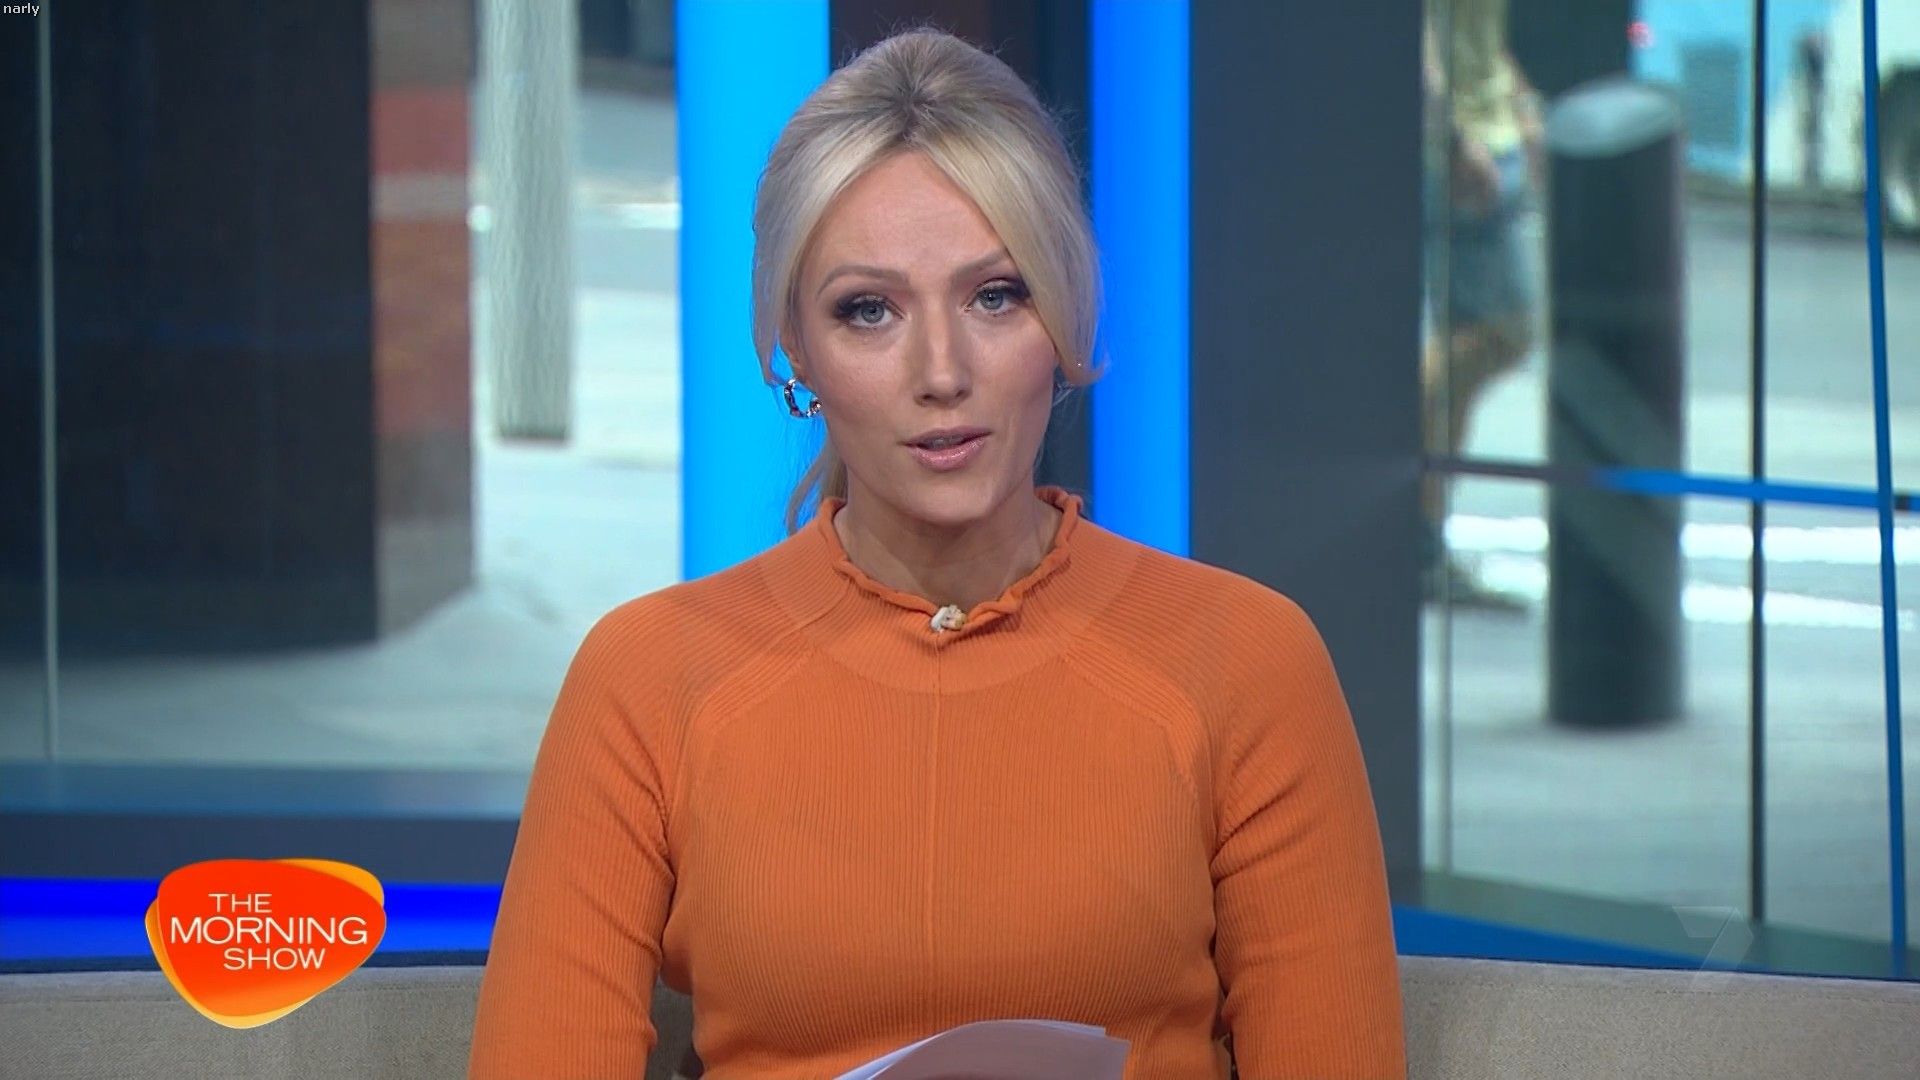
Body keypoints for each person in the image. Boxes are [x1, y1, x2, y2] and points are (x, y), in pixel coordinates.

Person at [469, 29, 1405, 1079]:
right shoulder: (649, 679)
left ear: (1064, 313)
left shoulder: (1246, 661)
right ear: (797, 348)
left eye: (995, 295)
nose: (942, 370)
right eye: (868, 310)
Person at [1421, 0, 1545, 611]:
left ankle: (1421, 539)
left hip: (1486, 138)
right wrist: (1449, 141)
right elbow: (1408, 38)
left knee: (1481, 339)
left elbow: (1477, 34)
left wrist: (1521, 107)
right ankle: (1410, 522)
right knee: (1500, 332)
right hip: (1462, 148)